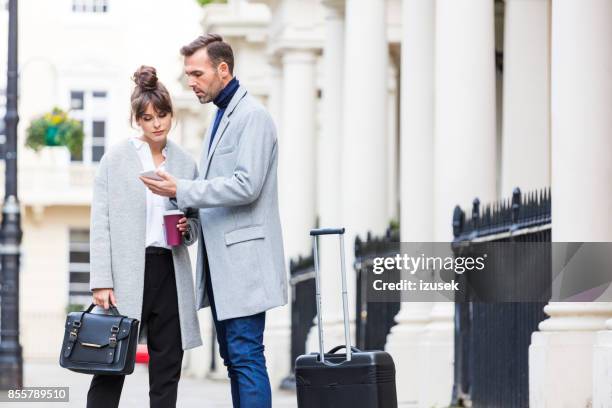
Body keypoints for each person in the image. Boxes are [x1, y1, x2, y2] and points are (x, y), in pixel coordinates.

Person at [140, 34, 287, 408]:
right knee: (236, 360)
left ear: (223, 69)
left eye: (197, 73)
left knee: (246, 357)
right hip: (225, 267)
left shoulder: (252, 116)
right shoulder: (222, 115)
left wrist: (182, 189)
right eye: (188, 74)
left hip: (244, 266)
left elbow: (247, 185)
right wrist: (192, 222)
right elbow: (218, 189)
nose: (191, 82)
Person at [87, 65, 203, 408]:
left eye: (163, 115)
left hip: (169, 270)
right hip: (125, 275)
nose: (157, 123)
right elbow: (100, 221)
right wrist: (101, 281)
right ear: (137, 119)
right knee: (110, 365)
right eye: (149, 117)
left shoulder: (184, 163)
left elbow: (196, 222)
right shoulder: (117, 159)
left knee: (167, 368)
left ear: (172, 115)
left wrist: (187, 228)